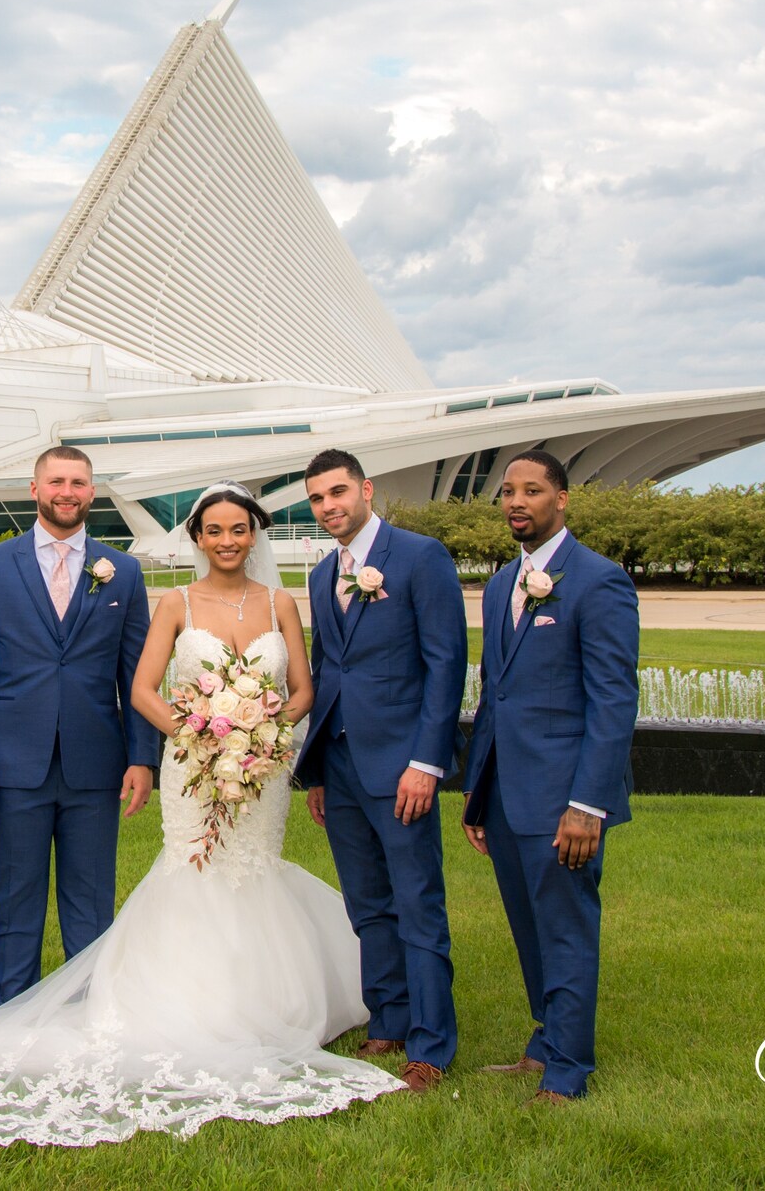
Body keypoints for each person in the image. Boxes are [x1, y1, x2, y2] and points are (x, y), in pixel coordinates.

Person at [0, 481, 402, 1143]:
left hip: (248, 768)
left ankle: (225, 1007)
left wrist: (253, 733)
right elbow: (107, 682)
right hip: (126, 758)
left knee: (190, 882)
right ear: (198, 537)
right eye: (215, 530)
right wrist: (199, 731)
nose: (227, 540)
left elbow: (298, 689)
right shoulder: (108, 588)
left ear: (253, 535)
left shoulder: (263, 596)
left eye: (239, 529)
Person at [0, 445, 156, 1006]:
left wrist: (143, 758)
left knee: (90, 903)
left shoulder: (123, 571)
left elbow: (135, 675)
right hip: (15, 763)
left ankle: (88, 1014)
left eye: (80, 482)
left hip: (95, 763)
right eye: (57, 481)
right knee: (16, 900)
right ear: (35, 489)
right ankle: (8, 1014)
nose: (68, 492)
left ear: (93, 491)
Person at [462, 449, 638, 1105]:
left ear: (562, 499)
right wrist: (479, 794)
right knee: (529, 925)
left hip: (565, 796)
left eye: (532, 490)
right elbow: (496, 694)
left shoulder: (598, 581)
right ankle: (544, 1040)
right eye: (508, 491)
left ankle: (568, 1068)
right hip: (508, 793)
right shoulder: (506, 580)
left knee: (565, 928)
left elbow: (614, 701)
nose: (516, 501)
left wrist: (586, 804)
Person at [295, 447, 468, 1093]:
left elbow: (446, 664)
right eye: (316, 497)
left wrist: (426, 762)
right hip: (338, 766)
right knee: (368, 906)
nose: (329, 505)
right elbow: (326, 669)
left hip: (402, 766)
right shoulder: (320, 575)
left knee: (417, 901)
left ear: (366, 489)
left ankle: (431, 1042)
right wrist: (315, 771)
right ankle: (388, 1018)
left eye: (337, 491)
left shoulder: (420, 557)